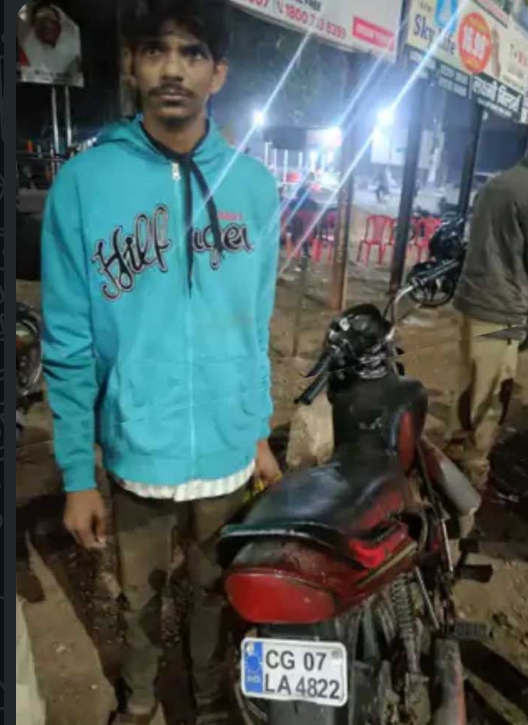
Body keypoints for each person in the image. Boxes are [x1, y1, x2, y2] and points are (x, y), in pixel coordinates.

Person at [41, 1, 281, 723]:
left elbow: (256, 324)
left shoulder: (253, 186)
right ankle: (141, 700)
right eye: (155, 50)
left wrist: (258, 432)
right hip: (137, 446)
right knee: (138, 595)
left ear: (218, 73)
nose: (173, 67)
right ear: (131, 65)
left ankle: (208, 698)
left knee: (216, 589)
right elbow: (68, 342)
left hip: (228, 448)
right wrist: (77, 474)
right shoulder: (84, 185)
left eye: (192, 52)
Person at [446, 157, 528, 489]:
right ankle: (471, 475)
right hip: (501, 307)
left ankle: (453, 456)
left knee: (470, 384)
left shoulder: (497, 182)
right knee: (490, 398)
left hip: (474, 300)